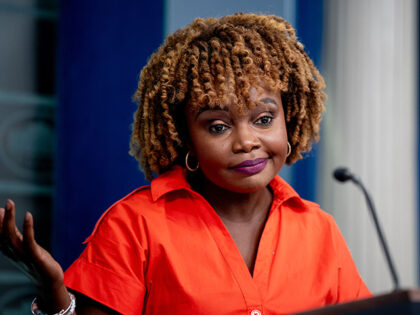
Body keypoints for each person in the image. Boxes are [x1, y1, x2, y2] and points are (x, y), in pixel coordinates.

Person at [0, 13, 371, 315]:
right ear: (185, 137)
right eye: (219, 126)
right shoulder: (136, 224)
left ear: (288, 119)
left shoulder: (320, 231)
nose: (246, 142)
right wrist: (55, 297)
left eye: (263, 119)